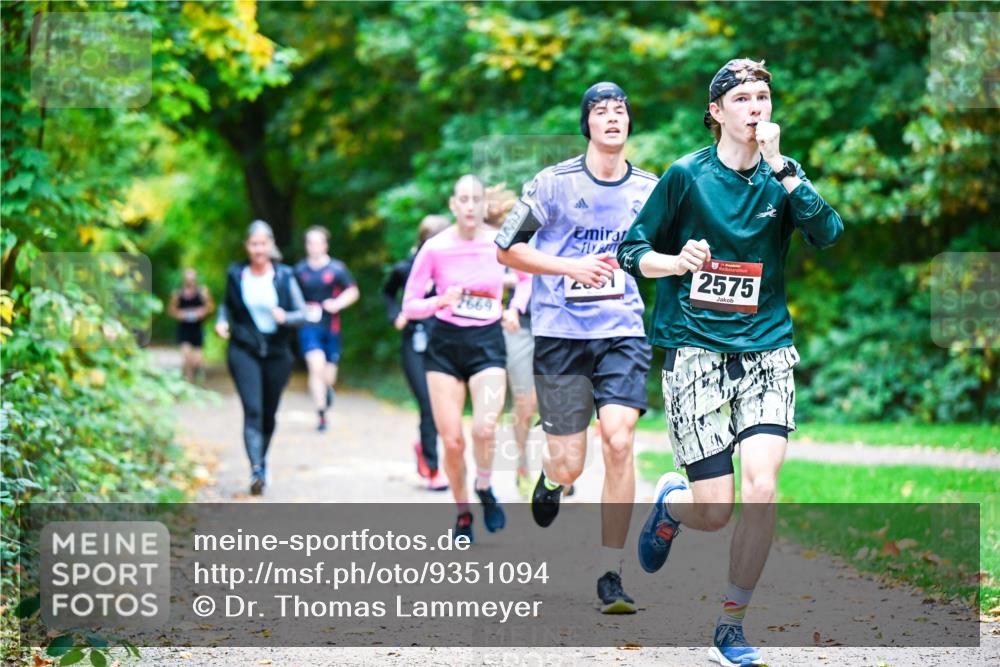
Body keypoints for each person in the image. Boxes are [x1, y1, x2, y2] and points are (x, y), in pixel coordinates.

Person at [617, 58, 844, 667]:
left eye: (763, 97)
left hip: (768, 349)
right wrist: (676, 262)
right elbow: (630, 250)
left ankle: (731, 623)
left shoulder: (783, 179)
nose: (755, 108)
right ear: (717, 112)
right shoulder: (685, 177)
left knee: (763, 489)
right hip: (695, 350)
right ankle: (673, 506)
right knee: (714, 510)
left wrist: (786, 172)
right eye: (742, 98)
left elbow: (829, 234)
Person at [495, 82, 658, 613]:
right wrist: (569, 266)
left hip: (622, 330)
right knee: (570, 463)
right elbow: (507, 249)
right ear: (587, 124)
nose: (612, 118)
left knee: (618, 440)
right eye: (601, 112)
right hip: (562, 333)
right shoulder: (552, 184)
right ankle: (551, 475)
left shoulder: (651, 190)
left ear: (629, 124)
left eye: (621, 112)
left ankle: (611, 573)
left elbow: (667, 252)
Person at [403, 175, 530, 543]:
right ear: (453, 205)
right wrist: (437, 302)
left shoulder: (499, 242)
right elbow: (409, 306)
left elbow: (526, 280)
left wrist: (515, 310)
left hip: (487, 343)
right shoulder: (435, 248)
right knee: (454, 441)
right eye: (464, 199)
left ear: (482, 205)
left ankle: (485, 487)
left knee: (485, 428)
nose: (471, 205)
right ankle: (462, 512)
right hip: (444, 346)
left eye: (476, 198)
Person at [215, 220, 311, 496]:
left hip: (277, 353)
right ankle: (256, 469)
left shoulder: (284, 275)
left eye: (263, 244)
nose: (258, 249)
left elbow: (303, 314)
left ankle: (262, 461)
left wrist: (286, 316)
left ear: (271, 245)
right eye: (253, 244)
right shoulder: (236, 274)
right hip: (244, 349)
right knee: (253, 410)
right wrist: (222, 322)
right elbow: (226, 305)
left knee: (268, 415)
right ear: (247, 246)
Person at [383, 214, 451, 491]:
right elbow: (387, 293)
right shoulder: (404, 269)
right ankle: (434, 469)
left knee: (441, 408)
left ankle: (424, 448)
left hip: (443, 342)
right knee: (428, 404)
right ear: (422, 242)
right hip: (413, 342)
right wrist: (395, 315)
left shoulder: (450, 268)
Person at [484, 185, 538, 499]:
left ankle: (557, 468)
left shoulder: (552, 227)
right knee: (524, 401)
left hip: (558, 323)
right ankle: (522, 465)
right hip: (517, 324)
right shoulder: (498, 238)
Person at [294, 226, 360, 432]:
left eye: (318, 242)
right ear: (306, 246)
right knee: (316, 366)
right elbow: (289, 295)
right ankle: (321, 414)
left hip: (330, 326)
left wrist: (337, 303)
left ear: (325, 245)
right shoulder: (299, 270)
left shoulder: (337, 269)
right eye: (310, 242)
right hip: (308, 325)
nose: (314, 247)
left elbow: (353, 291)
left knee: (328, 375)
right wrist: (300, 308)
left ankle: (327, 390)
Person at [167, 268, 214, 382]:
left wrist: (202, 311)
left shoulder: (202, 292)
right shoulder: (178, 294)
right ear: (184, 279)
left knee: (197, 360)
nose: (190, 281)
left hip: (197, 328)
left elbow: (211, 307)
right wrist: (180, 314)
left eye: (192, 278)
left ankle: (196, 375)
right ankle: (189, 380)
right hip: (184, 329)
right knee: (187, 356)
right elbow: (171, 310)